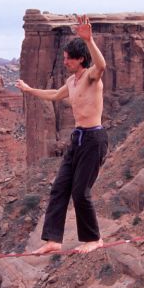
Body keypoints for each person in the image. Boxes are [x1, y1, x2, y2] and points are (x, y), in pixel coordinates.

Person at [16, 14, 108, 254]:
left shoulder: (91, 77)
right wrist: (29, 90)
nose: (65, 61)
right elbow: (55, 95)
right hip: (77, 139)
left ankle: (94, 238)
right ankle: (53, 240)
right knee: (59, 187)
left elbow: (101, 66)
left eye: (68, 58)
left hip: (93, 139)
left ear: (80, 59)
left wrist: (89, 40)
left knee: (80, 192)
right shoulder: (71, 81)